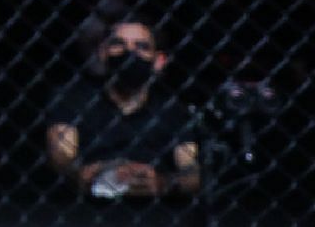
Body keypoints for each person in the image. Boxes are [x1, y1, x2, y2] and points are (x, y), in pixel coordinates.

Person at [44, 16, 199, 200]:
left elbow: (192, 170)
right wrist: (83, 174)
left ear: (159, 61)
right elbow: (61, 155)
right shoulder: (74, 97)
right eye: (119, 44)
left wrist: (163, 182)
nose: (129, 53)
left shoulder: (173, 110)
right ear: (103, 52)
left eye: (141, 47)